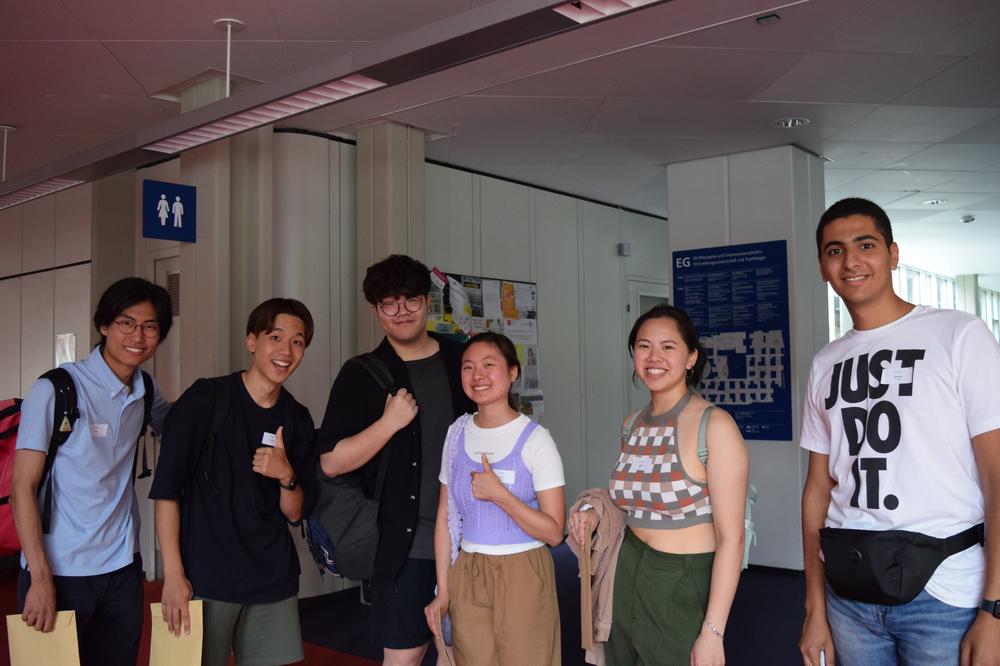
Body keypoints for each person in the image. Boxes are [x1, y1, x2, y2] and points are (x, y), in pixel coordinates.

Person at [798, 198, 1000, 666]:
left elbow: (996, 479)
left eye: (865, 245)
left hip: (946, 593)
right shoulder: (826, 363)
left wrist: (994, 608)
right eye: (835, 251)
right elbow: (818, 490)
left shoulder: (959, 335)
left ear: (892, 254)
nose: (851, 261)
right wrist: (815, 607)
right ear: (823, 267)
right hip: (848, 593)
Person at [568, 304, 749, 666]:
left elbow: (732, 539)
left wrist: (713, 632)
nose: (654, 357)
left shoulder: (715, 426)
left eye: (668, 347)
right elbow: (630, 499)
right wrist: (594, 512)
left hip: (682, 578)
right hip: (626, 571)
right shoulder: (632, 424)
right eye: (643, 346)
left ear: (691, 357)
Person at [318, 254, 474, 666]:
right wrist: (389, 424)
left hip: (473, 540)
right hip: (405, 547)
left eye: (411, 300)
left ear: (427, 302)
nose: (401, 311)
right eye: (389, 303)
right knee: (404, 657)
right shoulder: (361, 374)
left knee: (467, 655)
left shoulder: (462, 361)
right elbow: (331, 462)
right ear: (376, 309)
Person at [11, 277, 173, 666]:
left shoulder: (145, 391)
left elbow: (184, 429)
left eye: (150, 327)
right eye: (126, 323)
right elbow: (22, 487)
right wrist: (40, 578)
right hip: (60, 568)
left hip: (122, 567)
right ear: (104, 325)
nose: (138, 336)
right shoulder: (56, 389)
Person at [150, 298, 317, 666]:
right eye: (276, 337)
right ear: (252, 341)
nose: (286, 352)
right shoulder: (206, 399)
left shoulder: (297, 418)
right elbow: (166, 492)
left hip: (272, 578)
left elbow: (295, 514)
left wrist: (286, 475)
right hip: (205, 577)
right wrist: (173, 575)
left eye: (298, 342)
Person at [424, 332, 566, 665]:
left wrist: (501, 496)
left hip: (523, 570)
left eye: (489, 365)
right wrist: (443, 590)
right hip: (468, 570)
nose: (478, 375)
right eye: (468, 367)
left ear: (513, 372)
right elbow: (444, 517)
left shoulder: (536, 440)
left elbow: (554, 532)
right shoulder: (456, 433)